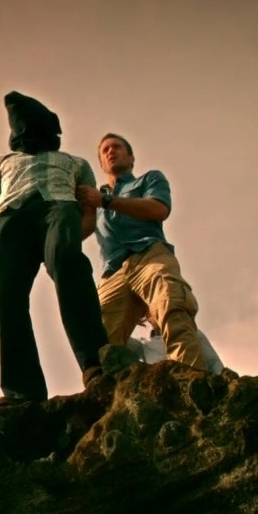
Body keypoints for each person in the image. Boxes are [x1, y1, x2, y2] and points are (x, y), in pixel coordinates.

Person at [0, 91, 109, 407]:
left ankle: (96, 364)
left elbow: (88, 212)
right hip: (11, 218)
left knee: (68, 264)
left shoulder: (75, 163)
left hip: (59, 208)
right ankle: (23, 392)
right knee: (6, 296)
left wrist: (69, 239)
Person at [78, 132, 208, 370]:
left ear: (131, 158)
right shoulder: (94, 199)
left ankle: (190, 377)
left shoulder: (149, 179)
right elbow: (83, 229)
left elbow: (158, 209)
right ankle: (111, 390)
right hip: (112, 272)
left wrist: (105, 201)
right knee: (100, 339)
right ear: (102, 164)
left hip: (150, 254)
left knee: (171, 307)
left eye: (116, 147)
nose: (110, 151)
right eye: (105, 150)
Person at [126, 315, 225, 375]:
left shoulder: (191, 332)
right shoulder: (143, 346)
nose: (157, 314)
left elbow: (213, 362)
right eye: (151, 312)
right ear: (147, 317)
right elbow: (119, 339)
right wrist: (130, 317)